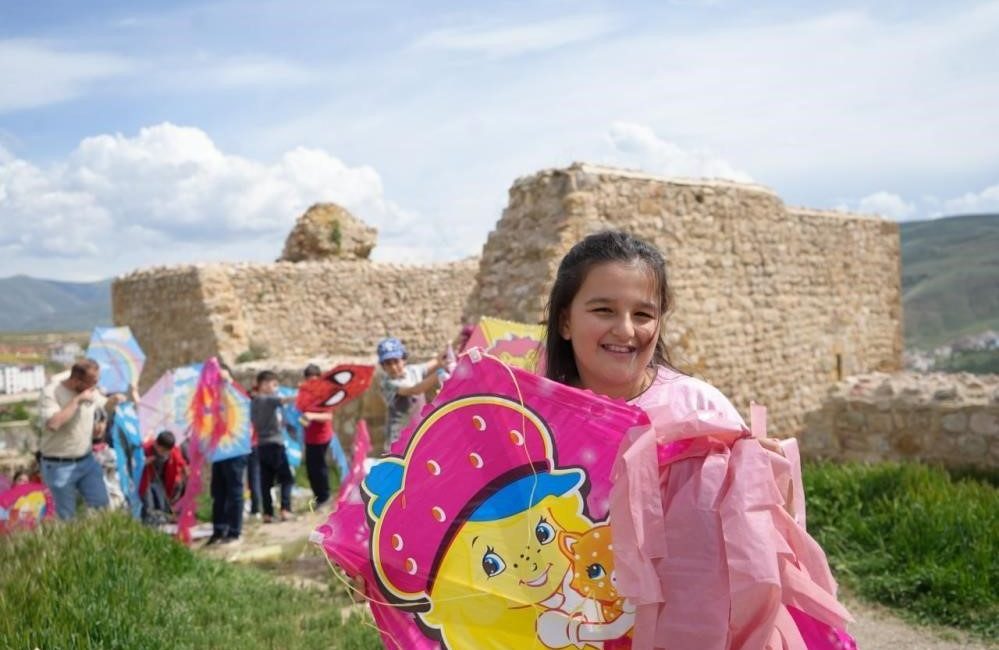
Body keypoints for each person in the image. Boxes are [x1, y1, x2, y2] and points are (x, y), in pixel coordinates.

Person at [542, 231, 853, 648]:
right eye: (603, 310)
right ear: (565, 320)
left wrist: (763, 473)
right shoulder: (536, 419)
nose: (626, 330)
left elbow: (752, 547)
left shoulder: (697, 407)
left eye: (643, 314)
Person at [36, 359, 111, 519]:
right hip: (58, 466)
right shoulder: (51, 392)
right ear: (76, 380)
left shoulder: (90, 389)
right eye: (91, 383)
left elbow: (103, 406)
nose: (94, 387)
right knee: (66, 517)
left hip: (87, 461)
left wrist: (114, 402)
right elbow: (54, 423)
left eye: (96, 382)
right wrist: (77, 400)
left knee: (102, 506)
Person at [206, 363, 251, 545]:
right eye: (217, 380)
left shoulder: (237, 394)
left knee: (234, 491)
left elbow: (243, 404)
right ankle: (219, 529)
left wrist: (228, 384)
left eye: (222, 379)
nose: (219, 382)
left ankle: (235, 531)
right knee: (218, 491)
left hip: (236, 450)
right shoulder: (213, 399)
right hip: (219, 450)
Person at [376, 337, 442, 453]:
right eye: (388, 363)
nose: (393, 367)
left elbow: (438, 360)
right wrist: (439, 373)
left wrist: (461, 339)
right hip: (398, 443)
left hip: (419, 435)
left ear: (404, 359)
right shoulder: (387, 384)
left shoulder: (413, 371)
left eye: (396, 361)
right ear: (383, 366)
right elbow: (413, 390)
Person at [251, 370, 297, 523]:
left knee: (266, 482)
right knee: (287, 478)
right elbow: (285, 400)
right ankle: (285, 509)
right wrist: (304, 394)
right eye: (274, 384)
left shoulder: (254, 401)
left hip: (261, 445)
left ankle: (267, 514)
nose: (276, 388)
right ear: (264, 384)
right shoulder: (268, 399)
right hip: (275, 444)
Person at [299, 364, 334, 510]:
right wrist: (304, 420)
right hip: (309, 437)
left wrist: (312, 416)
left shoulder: (325, 395)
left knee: (320, 468)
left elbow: (328, 416)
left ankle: (325, 497)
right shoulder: (306, 395)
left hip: (322, 436)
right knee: (311, 469)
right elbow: (303, 413)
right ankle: (318, 498)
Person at [139, 430, 188, 522]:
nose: (165, 453)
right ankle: (149, 520)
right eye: (163, 450)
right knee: (149, 504)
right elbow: (135, 462)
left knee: (162, 504)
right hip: (147, 480)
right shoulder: (146, 448)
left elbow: (180, 461)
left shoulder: (172, 450)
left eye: (167, 451)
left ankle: (164, 518)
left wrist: (185, 469)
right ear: (157, 444)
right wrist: (144, 462)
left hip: (160, 481)